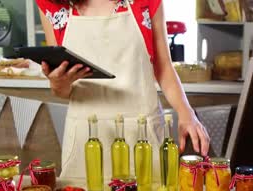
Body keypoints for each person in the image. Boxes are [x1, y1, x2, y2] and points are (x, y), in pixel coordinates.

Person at [35, 0, 210, 180]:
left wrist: (185, 111)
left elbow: (163, 66)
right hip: (86, 139)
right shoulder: (52, 5)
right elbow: (63, 89)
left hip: (143, 134)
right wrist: (58, 84)